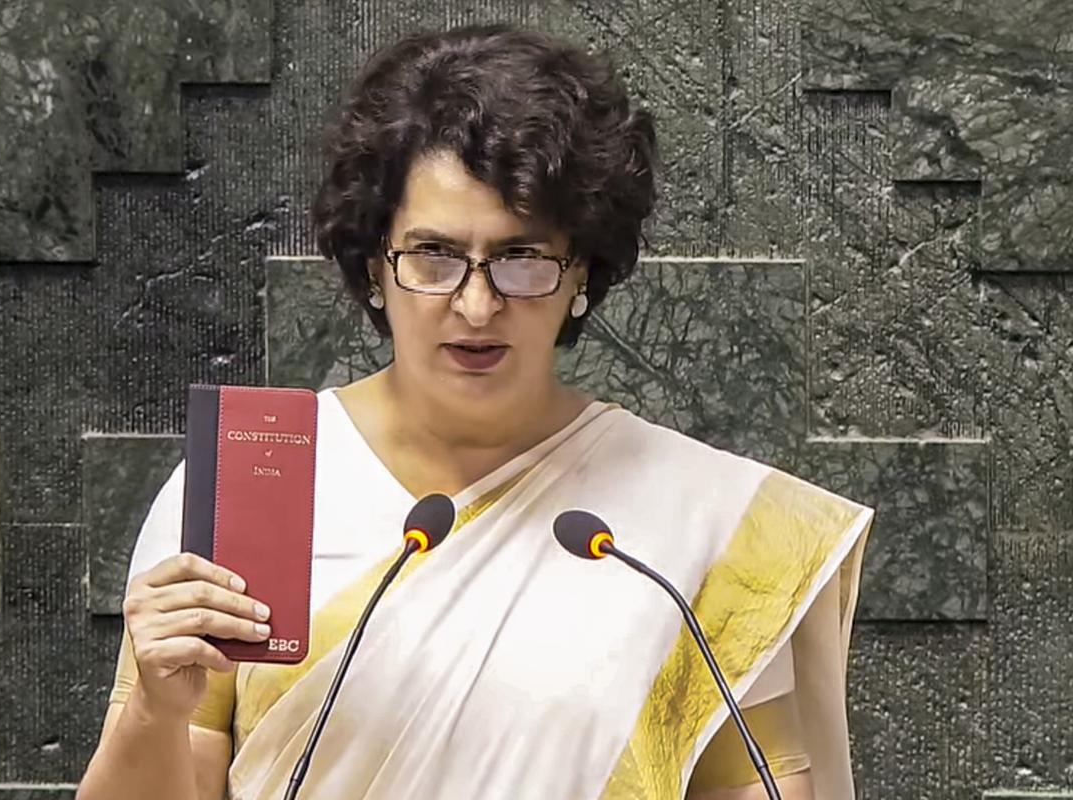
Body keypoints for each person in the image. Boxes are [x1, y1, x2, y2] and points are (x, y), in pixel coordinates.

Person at [77, 23, 872, 800]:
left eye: (521, 258)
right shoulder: (254, 483)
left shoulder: (709, 528)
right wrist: (153, 708)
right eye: (434, 256)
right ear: (372, 268)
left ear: (582, 272)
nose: (478, 303)